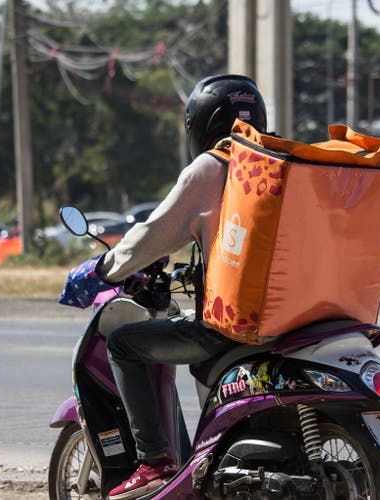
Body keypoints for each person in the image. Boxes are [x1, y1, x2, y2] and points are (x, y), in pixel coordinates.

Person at [95, 74, 267, 500]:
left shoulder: (212, 166)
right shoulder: (279, 164)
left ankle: (154, 461)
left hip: (231, 327)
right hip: (293, 319)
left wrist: (105, 268)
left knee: (124, 344)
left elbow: (153, 233)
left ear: (199, 125)